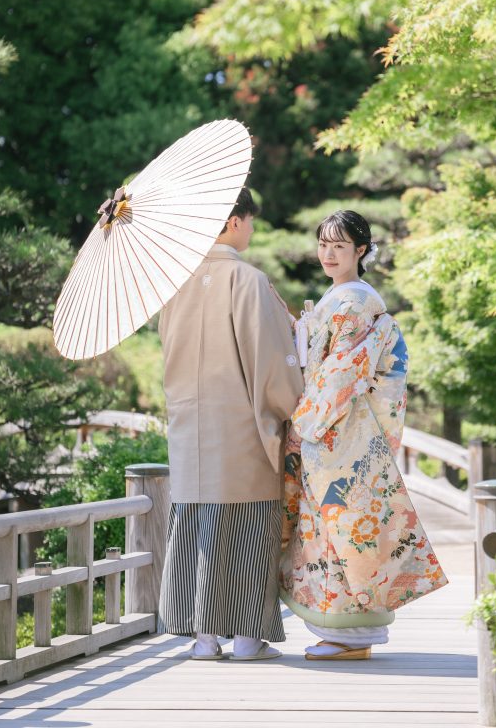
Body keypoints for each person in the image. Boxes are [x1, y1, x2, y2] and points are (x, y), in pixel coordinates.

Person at [280, 210, 448, 660]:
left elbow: (340, 373)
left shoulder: (353, 301)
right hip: (339, 427)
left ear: (360, 250)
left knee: (344, 531)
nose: (329, 253)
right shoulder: (340, 296)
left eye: (339, 245)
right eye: (323, 244)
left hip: (339, 429)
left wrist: (305, 421)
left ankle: (350, 636)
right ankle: (344, 633)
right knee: (334, 532)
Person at [157, 187, 304, 661]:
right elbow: (271, 361)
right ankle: (246, 639)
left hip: (188, 427)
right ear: (234, 222)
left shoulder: (172, 285)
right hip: (241, 428)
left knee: (197, 528)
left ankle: (203, 639)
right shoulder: (248, 279)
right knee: (247, 528)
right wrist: (292, 405)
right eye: (250, 220)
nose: (253, 228)